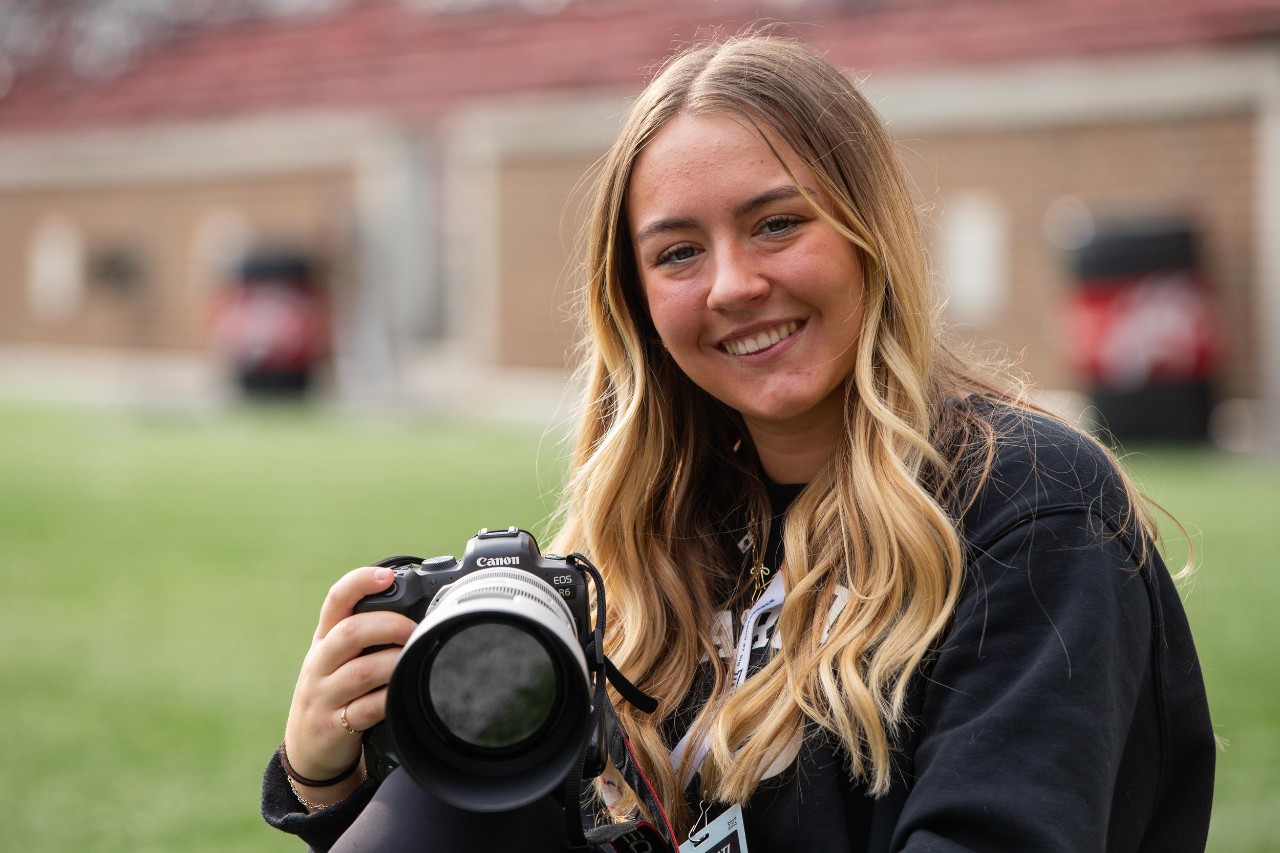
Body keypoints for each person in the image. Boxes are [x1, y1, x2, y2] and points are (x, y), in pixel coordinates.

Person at [262, 33, 1216, 852]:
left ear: (867, 234)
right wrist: (332, 776)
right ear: (636, 303)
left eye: (776, 224)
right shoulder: (648, 546)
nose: (731, 285)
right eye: (679, 251)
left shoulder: (1029, 506)